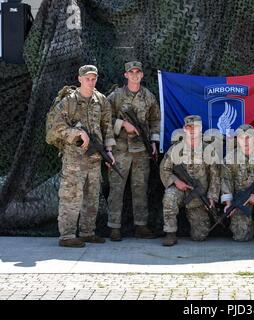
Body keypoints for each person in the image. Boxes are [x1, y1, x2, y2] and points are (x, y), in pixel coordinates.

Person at [46, 65, 116, 247]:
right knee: (71, 196)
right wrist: (77, 133)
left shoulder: (101, 100)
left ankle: (87, 232)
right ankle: (67, 236)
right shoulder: (68, 101)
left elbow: (107, 126)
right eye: (87, 78)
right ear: (79, 79)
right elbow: (56, 128)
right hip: (74, 158)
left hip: (95, 157)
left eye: (94, 78)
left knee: (92, 196)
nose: (91, 82)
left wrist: (108, 151)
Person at [107, 61, 161, 241]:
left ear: (142, 75)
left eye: (138, 72)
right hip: (120, 149)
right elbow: (104, 118)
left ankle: (141, 225)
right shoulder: (116, 96)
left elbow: (155, 120)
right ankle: (114, 227)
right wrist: (122, 124)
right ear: (126, 75)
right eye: (132, 72)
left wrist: (154, 141)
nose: (135, 75)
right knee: (116, 188)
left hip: (141, 149)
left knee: (140, 188)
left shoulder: (148, 96)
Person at [159, 115, 220, 246]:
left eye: (196, 127)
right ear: (184, 129)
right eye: (189, 127)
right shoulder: (176, 149)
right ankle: (170, 233)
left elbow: (215, 176)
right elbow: (164, 169)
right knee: (170, 196)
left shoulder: (208, 150)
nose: (192, 130)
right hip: (180, 190)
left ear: (201, 129)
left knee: (200, 236)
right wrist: (175, 181)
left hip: (198, 195)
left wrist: (212, 197)